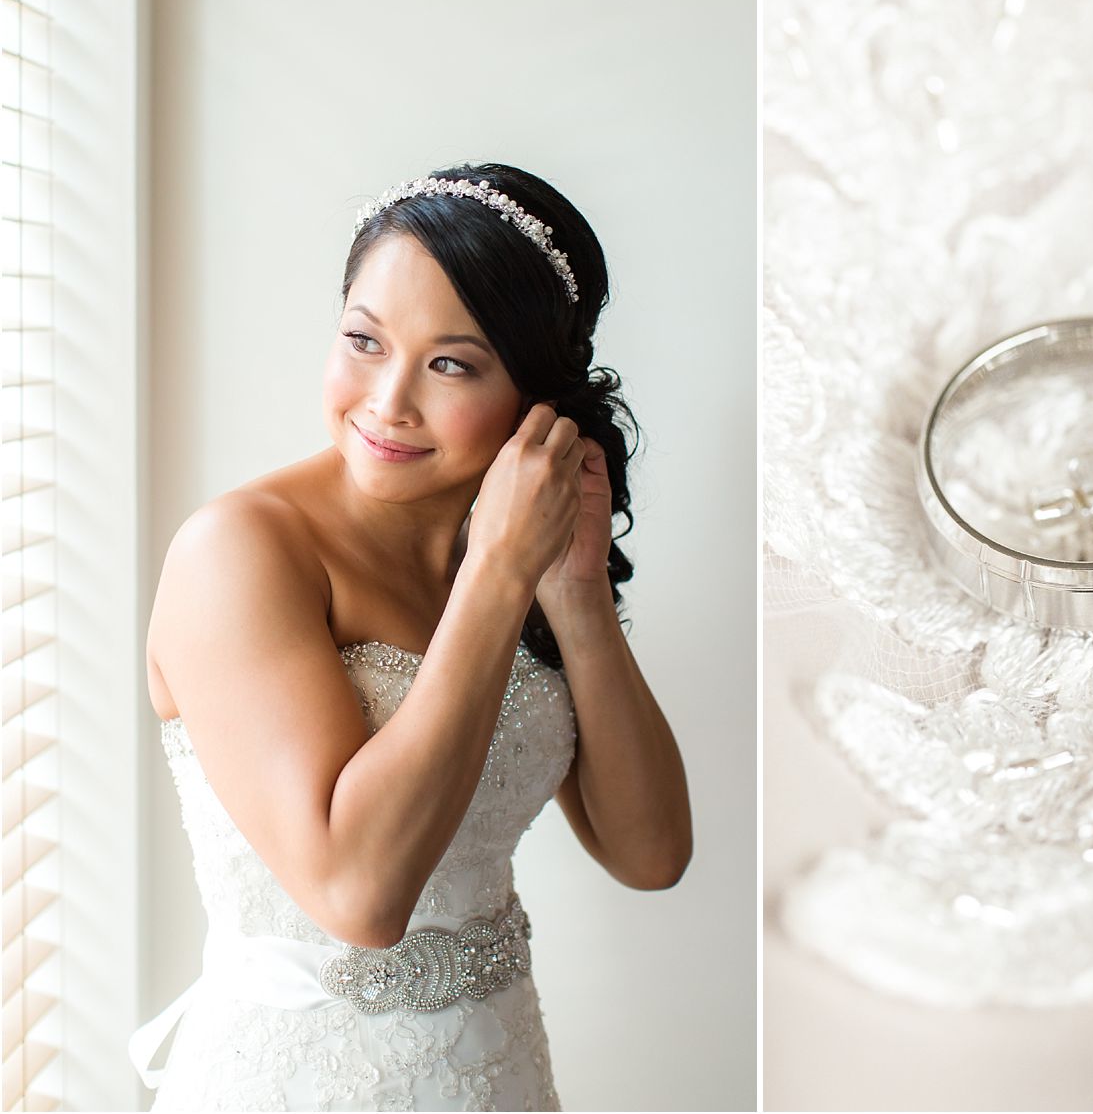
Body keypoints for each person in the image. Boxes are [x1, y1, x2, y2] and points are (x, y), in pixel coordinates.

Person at [129, 163, 692, 1111]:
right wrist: (500, 578)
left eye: (452, 363)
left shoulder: (519, 543)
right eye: (363, 340)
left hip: (499, 1073)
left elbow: (652, 854)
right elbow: (359, 897)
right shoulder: (240, 551)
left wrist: (577, 591)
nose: (389, 400)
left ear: (533, 397)